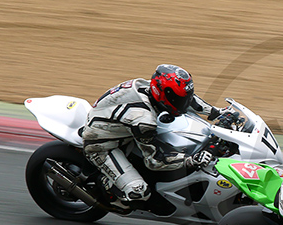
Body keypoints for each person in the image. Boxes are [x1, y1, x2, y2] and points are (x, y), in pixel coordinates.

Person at [82, 64, 228, 209]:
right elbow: (154, 161)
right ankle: (105, 184)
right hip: (101, 144)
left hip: (119, 128)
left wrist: (218, 112)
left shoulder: (149, 87)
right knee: (139, 192)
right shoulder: (144, 121)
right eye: (178, 100)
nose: (183, 103)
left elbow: (191, 100)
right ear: (163, 96)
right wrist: (190, 160)